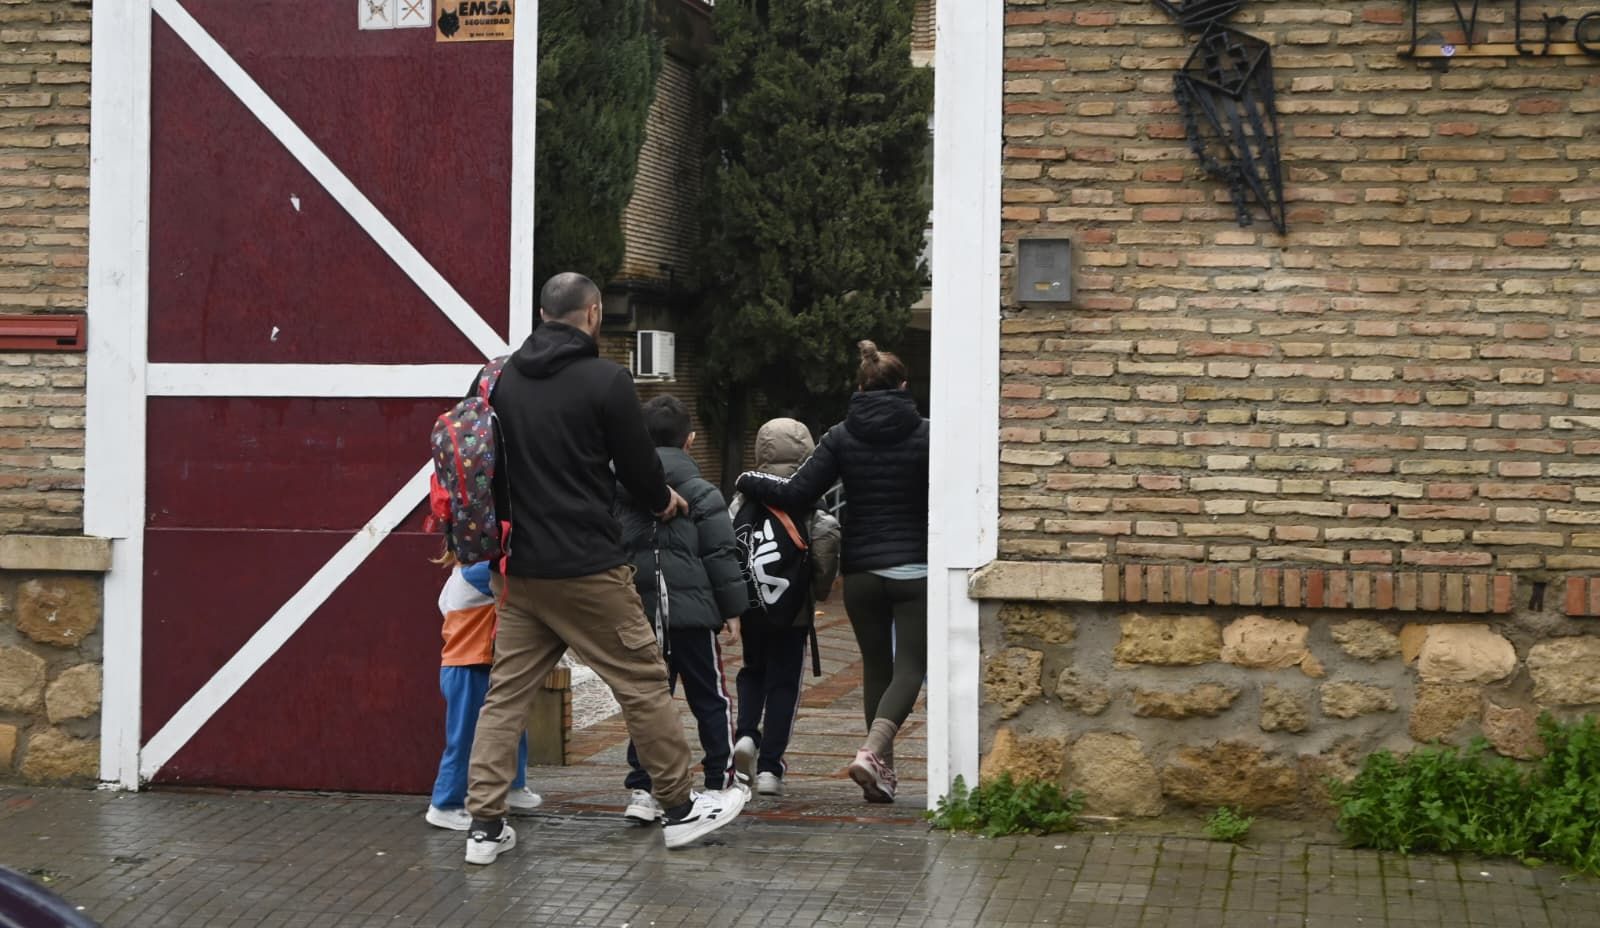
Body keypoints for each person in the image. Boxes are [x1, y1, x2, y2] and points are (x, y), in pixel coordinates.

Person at [462, 272, 746, 865]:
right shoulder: (608, 381)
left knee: (506, 694)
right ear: (592, 314)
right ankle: (678, 808)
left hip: (519, 571)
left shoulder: (499, 379)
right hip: (589, 567)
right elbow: (643, 475)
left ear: (542, 314)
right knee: (642, 681)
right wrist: (663, 499)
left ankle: (485, 826)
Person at [734, 341, 929, 804]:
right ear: (904, 387)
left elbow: (798, 491)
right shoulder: (927, 433)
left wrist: (748, 480)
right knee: (911, 667)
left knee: (876, 668)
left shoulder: (842, 435)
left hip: (861, 572)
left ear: (860, 387)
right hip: (914, 570)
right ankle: (873, 752)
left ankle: (881, 775)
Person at [614, 395, 749, 822]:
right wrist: (733, 610)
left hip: (638, 614)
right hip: (694, 619)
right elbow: (721, 556)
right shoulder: (704, 493)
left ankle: (642, 788)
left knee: (647, 699)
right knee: (710, 698)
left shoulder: (619, 491)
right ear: (690, 441)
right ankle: (719, 780)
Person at [729, 418, 841, 797]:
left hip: (751, 606)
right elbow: (825, 542)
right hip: (792, 613)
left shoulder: (744, 496)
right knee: (784, 683)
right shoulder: (806, 498)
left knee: (752, 671)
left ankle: (745, 735)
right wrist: (817, 591)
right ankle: (770, 769)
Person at [426, 561, 542, 831]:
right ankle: (444, 805)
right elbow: (517, 571)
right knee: (464, 738)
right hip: (469, 665)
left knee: (511, 724)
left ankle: (513, 785)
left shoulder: (457, 578)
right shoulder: (477, 574)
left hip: (476, 664)